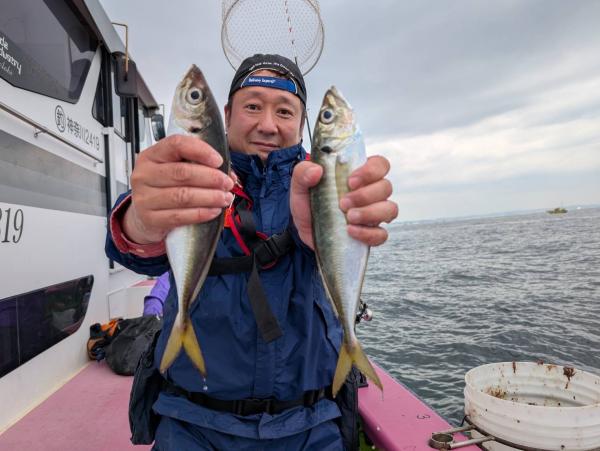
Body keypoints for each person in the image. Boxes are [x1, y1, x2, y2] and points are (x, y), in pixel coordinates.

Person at [105, 54, 398, 450]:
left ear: (302, 123)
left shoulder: (323, 187)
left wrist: (353, 217)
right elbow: (132, 247)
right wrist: (140, 220)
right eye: (253, 106)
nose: (268, 125)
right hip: (192, 426)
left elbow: (348, 243)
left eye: (284, 111)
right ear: (226, 115)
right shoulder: (192, 179)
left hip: (310, 428)